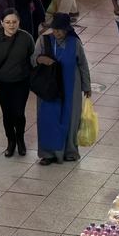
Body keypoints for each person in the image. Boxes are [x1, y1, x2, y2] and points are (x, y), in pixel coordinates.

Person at [35, 13, 92, 164]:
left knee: (71, 119)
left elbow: (83, 65)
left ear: (67, 30)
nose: (57, 32)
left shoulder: (75, 43)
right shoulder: (44, 41)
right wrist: (41, 59)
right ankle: (48, 154)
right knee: (48, 119)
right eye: (55, 29)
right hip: (49, 88)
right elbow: (33, 59)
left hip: (71, 87)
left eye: (60, 30)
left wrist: (87, 85)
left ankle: (70, 151)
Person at [0, 10, 34, 156]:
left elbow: (32, 59)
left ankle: (20, 139)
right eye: (8, 22)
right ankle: (10, 141)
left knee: (19, 113)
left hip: (21, 82)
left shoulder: (26, 38)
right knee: (7, 114)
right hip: (3, 84)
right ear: (1, 23)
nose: (11, 25)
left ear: (19, 22)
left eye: (14, 22)